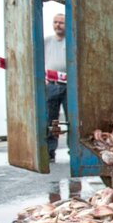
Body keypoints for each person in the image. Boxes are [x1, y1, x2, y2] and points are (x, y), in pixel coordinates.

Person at [44, 13, 67, 161]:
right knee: (51, 120)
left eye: (61, 22)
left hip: (69, 86)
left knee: (73, 119)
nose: (58, 25)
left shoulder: (71, 41)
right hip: (51, 85)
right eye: (55, 22)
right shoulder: (46, 41)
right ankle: (49, 152)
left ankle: (74, 152)